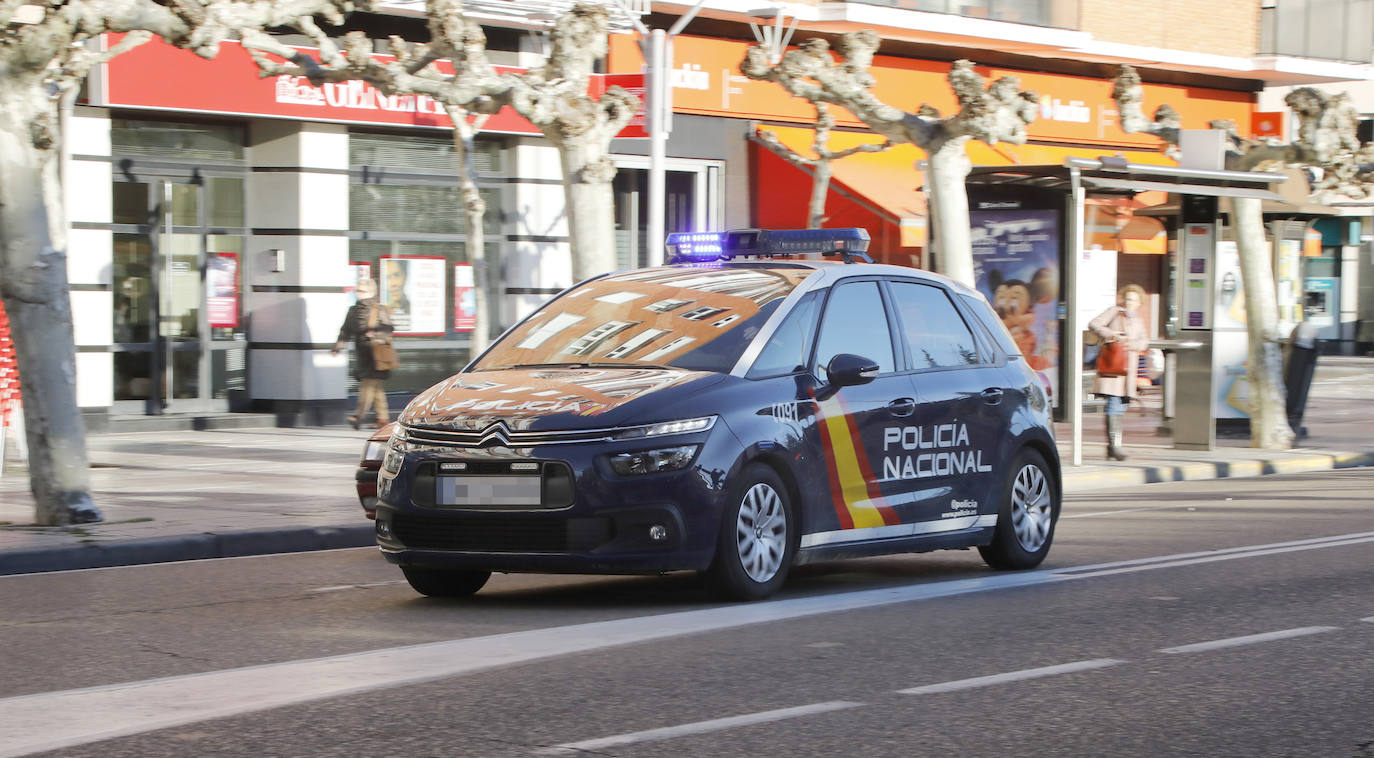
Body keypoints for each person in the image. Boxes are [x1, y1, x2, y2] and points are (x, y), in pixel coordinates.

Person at [1089, 284, 1150, 461]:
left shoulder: (1138, 319)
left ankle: (1112, 447)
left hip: (1128, 369)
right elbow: (1094, 324)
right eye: (1127, 298)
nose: (1129, 302)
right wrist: (1112, 334)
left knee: (1121, 405)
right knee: (1114, 404)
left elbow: (1143, 341)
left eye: (1133, 300)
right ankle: (1115, 447)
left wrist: (1133, 344)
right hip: (1113, 367)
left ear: (1139, 303)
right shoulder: (1114, 311)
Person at [333, 278, 394, 429]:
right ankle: (383, 419)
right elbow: (345, 331)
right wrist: (338, 346)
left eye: (362, 291)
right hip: (362, 354)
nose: (359, 294)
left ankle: (358, 416)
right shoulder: (353, 311)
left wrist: (376, 334)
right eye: (357, 291)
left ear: (371, 292)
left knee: (367, 385)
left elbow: (388, 329)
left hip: (376, 354)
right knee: (376, 388)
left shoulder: (379, 309)